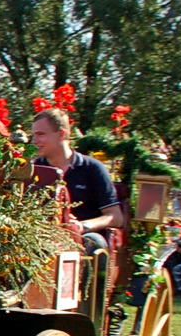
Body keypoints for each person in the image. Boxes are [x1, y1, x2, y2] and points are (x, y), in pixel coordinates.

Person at [29, 108, 126, 252]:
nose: (34, 141)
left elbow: (115, 217)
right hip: (42, 236)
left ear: (61, 134)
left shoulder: (93, 168)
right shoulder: (33, 169)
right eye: (33, 135)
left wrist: (82, 226)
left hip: (83, 238)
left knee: (95, 241)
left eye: (40, 134)